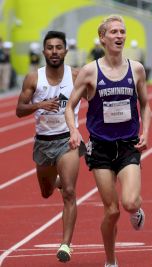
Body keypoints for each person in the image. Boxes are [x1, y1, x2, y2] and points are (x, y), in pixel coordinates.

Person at [65, 15, 151, 267]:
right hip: (101, 147)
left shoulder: (136, 69)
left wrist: (146, 131)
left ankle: (136, 211)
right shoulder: (90, 71)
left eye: (122, 31)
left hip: (127, 145)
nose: (119, 36)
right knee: (112, 211)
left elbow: (145, 105)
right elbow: (70, 106)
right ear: (103, 38)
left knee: (130, 202)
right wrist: (73, 130)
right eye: (113, 32)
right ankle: (111, 261)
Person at [15, 31, 84, 263]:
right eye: (50, 48)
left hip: (68, 139)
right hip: (43, 143)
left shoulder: (76, 76)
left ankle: (65, 244)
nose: (55, 51)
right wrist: (39, 104)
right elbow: (19, 110)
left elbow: (95, 100)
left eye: (59, 47)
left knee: (70, 192)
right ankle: (57, 181)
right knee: (46, 192)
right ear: (44, 51)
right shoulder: (34, 79)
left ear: (66, 51)